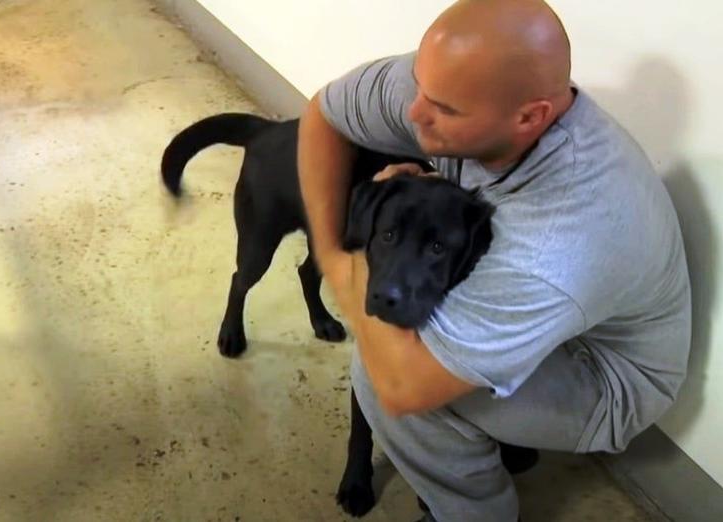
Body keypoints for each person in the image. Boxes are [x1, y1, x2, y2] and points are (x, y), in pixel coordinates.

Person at [296, 0, 692, 520]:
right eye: (421, 86)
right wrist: (327, 249)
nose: (415, 114)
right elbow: (324, 113)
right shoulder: (451, 88)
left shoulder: (560, 235)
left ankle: (469, 513)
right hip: (555, 303)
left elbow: (402, 387)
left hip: (603, 373)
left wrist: (356, 262)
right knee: (400, 331)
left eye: (444, 110)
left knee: (381, 366)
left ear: (531, 117)